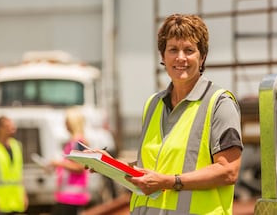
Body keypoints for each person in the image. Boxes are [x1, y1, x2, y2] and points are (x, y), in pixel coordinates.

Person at [91, 13, 243, 215]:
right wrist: (109, 164)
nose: (181, 57)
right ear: (163, 56)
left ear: (202, 56)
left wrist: (169, 182)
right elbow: (155, 166)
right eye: (173, 50)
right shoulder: (153, 105)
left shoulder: (219, 103)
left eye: (189, 50)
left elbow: (228, 171)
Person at [48, 108, 91, 215]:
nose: (64, 124)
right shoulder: (74, 142)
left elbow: (80, 167)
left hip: (72, 196)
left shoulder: (79, 143)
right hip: (67, 195)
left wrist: (59, 163)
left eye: (66, 121)